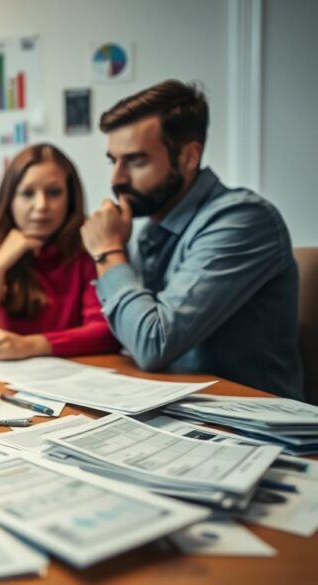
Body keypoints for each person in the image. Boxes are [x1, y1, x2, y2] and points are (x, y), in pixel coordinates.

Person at [81, 79, 303, 399]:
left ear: (188, 157)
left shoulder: (243, 220)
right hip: (178, 413)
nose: (116, 179)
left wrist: (107, 250)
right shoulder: (147, 231)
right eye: (113, 161)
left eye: (135, 160)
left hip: (255, 431)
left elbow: (151, 344)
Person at [0, 143, 120, 359]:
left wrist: (32, 345)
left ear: (70, 198)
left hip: (72, 380)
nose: (41, 205)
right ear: (9, 200)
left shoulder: (87, 247)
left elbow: (106, 333)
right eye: (27, 193)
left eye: (53, 192)